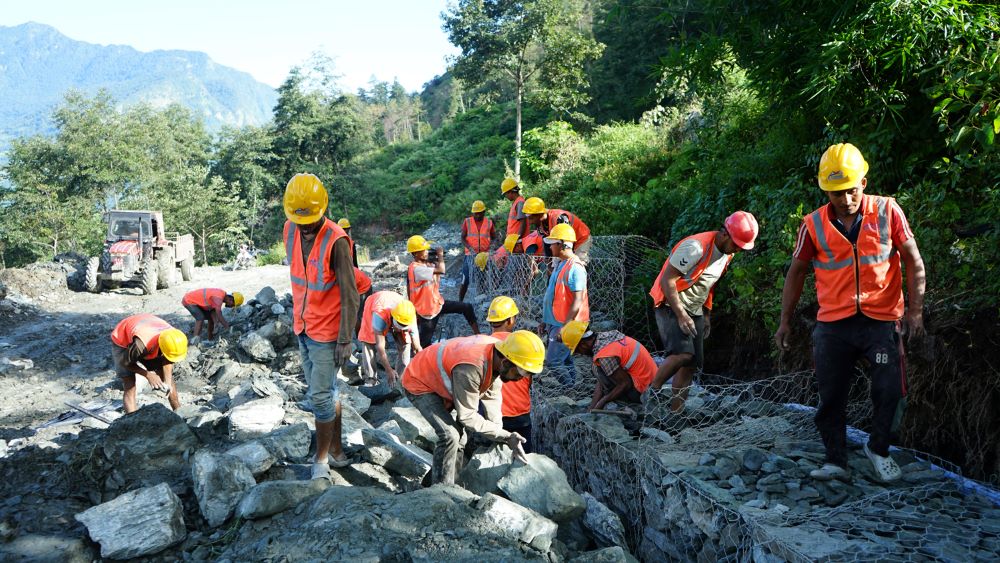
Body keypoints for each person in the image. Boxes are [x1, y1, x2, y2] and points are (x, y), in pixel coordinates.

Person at [774, 143, 925, 483]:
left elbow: (913, 260)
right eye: (836, 193)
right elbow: (796, 272)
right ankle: (835, 459)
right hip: (834, 326)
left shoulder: (888, 211)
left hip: (880, 321)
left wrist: (915, 312)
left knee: (889, 389)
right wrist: (785, 322)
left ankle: (879, 449)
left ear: (864, 183)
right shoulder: (812, 224)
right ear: (826, 191)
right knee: (831, 393)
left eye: (851, 190)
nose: (845, 199)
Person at [283, 173, 360, 480]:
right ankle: (338, 452)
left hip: (327, 334)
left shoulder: (337, 240)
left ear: (323, 209)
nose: (304, 226)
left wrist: (345, 339)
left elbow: (350, 293)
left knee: (317, 398)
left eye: (310, 219)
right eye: (299, 219)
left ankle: (322, 461)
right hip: (302, 326)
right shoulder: (290, 229)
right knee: (326, 394)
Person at [401, 330, 544, 485]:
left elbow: (493, 399)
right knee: (451, 435)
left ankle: (448, 481)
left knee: (461, 439)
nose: (521, 378)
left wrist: (500, 434)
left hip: (442, 380)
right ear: (505, 362)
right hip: (419, 381)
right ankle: (441, 490)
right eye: (520, 372)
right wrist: (505, 436)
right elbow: (467, 416)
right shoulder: (471, 367)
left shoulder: (498, 355)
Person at [648, 211, 758, 411]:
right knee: (682, 354)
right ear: (725, 234)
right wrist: (681, 314)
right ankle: (651, 392)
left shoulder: (727, 254)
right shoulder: (695, 248)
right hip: (670, 303)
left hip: (695, 308)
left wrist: (706, 314)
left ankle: (676, 412)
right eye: (737, 245)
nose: (738, 250)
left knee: (692, 364)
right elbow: (667, 280)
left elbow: (708, 284)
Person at [561, 320, 656, 412]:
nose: (581, 354)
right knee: (599, 368)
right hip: (650, 382)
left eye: (577, 351)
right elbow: (601, 382)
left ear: (583, 344)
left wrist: (603, 402)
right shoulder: (605, 338)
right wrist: (592, 408)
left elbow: (625, 384)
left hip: (644, 391)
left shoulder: (605, 355)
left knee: (598, 368)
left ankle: (622, 403)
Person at [406, 234, 480, 348]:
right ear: (415, 254)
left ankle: (478, 336)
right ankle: (419, 359)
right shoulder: (417, 269)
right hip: (427, 312)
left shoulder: (422, 265)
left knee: (467, 307)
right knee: (424, 344)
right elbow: (441, 270)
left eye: (426, 250)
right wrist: (440, 256)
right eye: (423, 250)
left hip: (437, 304)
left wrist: (433, 261)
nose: (426, 252)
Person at [541, 223, 589, 384]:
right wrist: (545, 320)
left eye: (552, 244)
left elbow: (578, 299)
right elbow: (554, 296)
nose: (550, 248)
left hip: (566, 324)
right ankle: (574, 389)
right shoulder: (561, 264)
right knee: (565, 359)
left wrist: (565, 327)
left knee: (553, 362)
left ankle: (568, 388)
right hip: (556, 322)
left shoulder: (575, 268)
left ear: (562, 244)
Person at [111, 314, 188, 413]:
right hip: (122, 338)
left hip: (147, 328)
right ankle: (131, 419)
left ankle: (178, 412)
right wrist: (148, 375)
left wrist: (167, 382)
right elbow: (125, 363)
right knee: (130, 384)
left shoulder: (175, 337)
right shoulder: (141, 345)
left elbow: (168, 358)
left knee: (167, 378)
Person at [487, 296, 534, 452]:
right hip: (521, 414)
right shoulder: (522, 344)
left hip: (493, 415)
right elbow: (529, 378)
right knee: (524, 457)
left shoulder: (484, 344)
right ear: (510, 321)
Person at [358, 291, 421, 388]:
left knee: (405, 343)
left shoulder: (410, 317)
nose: (400, 329)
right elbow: (380, 348)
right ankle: (370, 379)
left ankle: (400, 379)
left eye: (404, 327)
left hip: (396, 308)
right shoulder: (379, 316)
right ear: (393, 318)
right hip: (376, 303)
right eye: (399, 326)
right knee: (368, 341)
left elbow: (417, 348)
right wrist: (388, 370)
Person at [523, 197, 592, 263]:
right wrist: (549, 262)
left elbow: (567, 242)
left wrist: (564, 260)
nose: (529, 222)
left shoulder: (559, 218)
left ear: (539, 214)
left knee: (578, 264)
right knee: (558, 267)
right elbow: (547, 242)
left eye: (531, 218)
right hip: (563, 244)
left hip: (581, 238)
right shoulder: (540, 224)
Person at [459, 200, 496, 302]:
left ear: (484, 212)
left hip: (483, 256)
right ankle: (460, 302)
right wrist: (470, 248)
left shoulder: (489, 223)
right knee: (465, 279)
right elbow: (462, 237)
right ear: (473, 213)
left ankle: (482, 299)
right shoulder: (467, 222)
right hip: (470, 255)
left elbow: (494, 237)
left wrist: (491, 248)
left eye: (480, 213)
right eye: (476, 213)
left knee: (483, 278)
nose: (478, 215)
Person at [501, 178, 528, 244]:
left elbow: (523, 222)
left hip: (517, 242)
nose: (506, 196)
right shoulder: (516, 202)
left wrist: (517, 238)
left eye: (506, 194)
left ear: (510, 191)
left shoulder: (520, 203)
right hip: (513, 241)